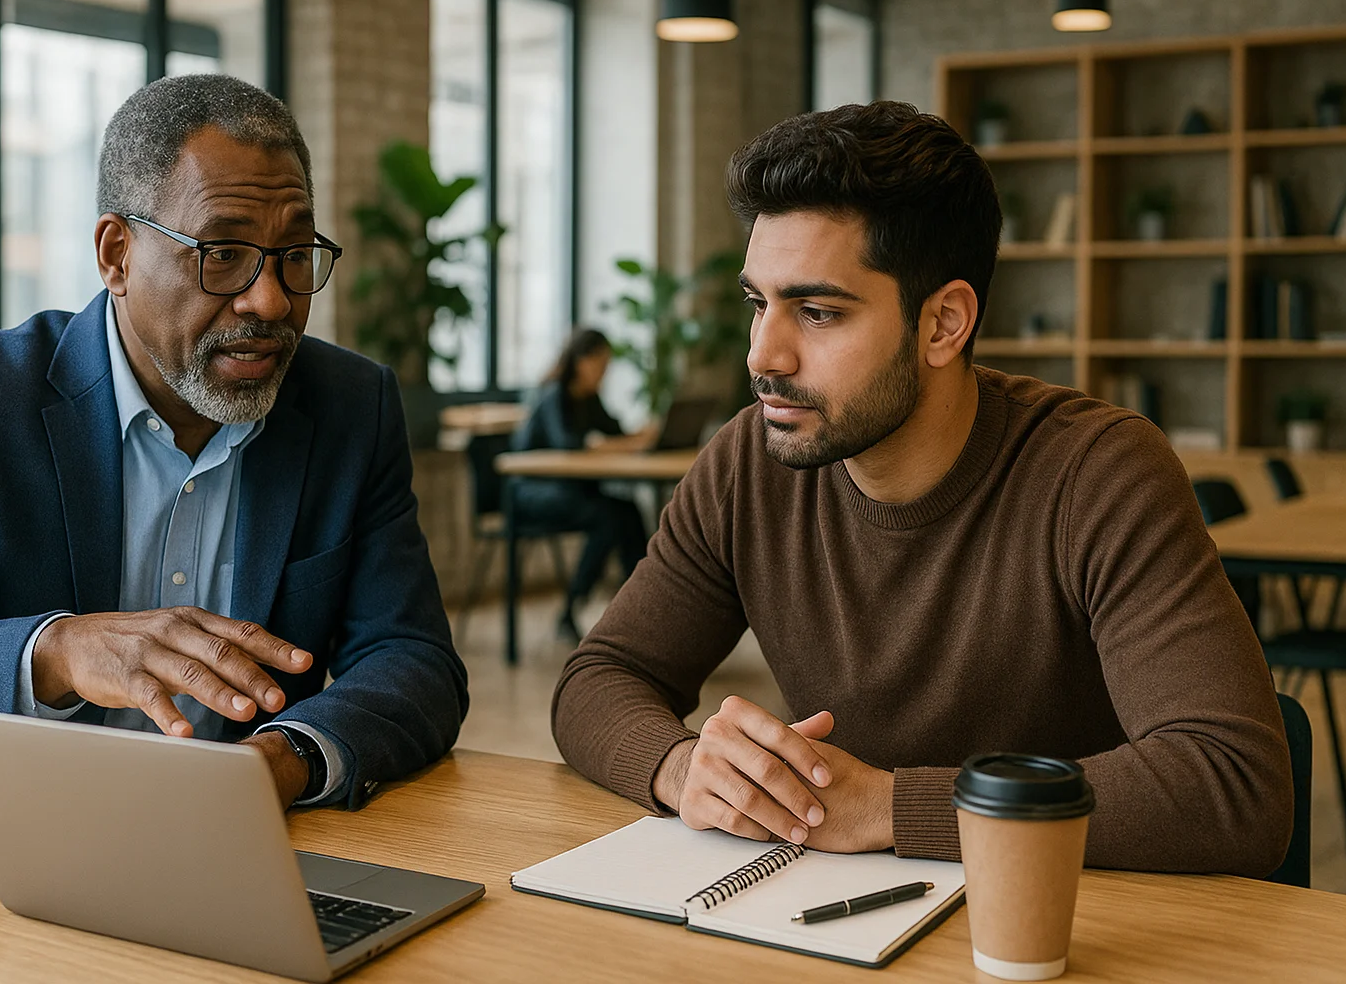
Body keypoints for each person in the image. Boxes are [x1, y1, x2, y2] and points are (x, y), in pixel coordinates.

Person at [552, 102, 1293, 877]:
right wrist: (683, 770)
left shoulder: (1099, 474)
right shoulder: (748, 464)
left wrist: (889, 808)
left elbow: (1233, 784)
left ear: (944, 324)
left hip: (1063, 929)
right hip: (831, 926)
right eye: (757, 303)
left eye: (816, 311)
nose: (763, 354)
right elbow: (599, 679)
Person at [0, 74, 468, 830]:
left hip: (229, 847)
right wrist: (62, 653)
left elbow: (415, 661)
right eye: (224, 253)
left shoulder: (351, 407)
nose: (269, 300)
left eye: (294, 254)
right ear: (117, 255)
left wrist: (281, 759)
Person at [511, 328, 655, 641]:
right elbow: (569, 445)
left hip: (570, 491)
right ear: (580, 361)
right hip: (531, 492)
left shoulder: (589, 399)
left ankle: (645, 608)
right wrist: (617, 445)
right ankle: (570, 609)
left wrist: (642, 436)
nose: (604, 373)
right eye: (600, 365)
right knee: (606, 518)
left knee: (628, 512)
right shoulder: (553, 395)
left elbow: (612, 432)